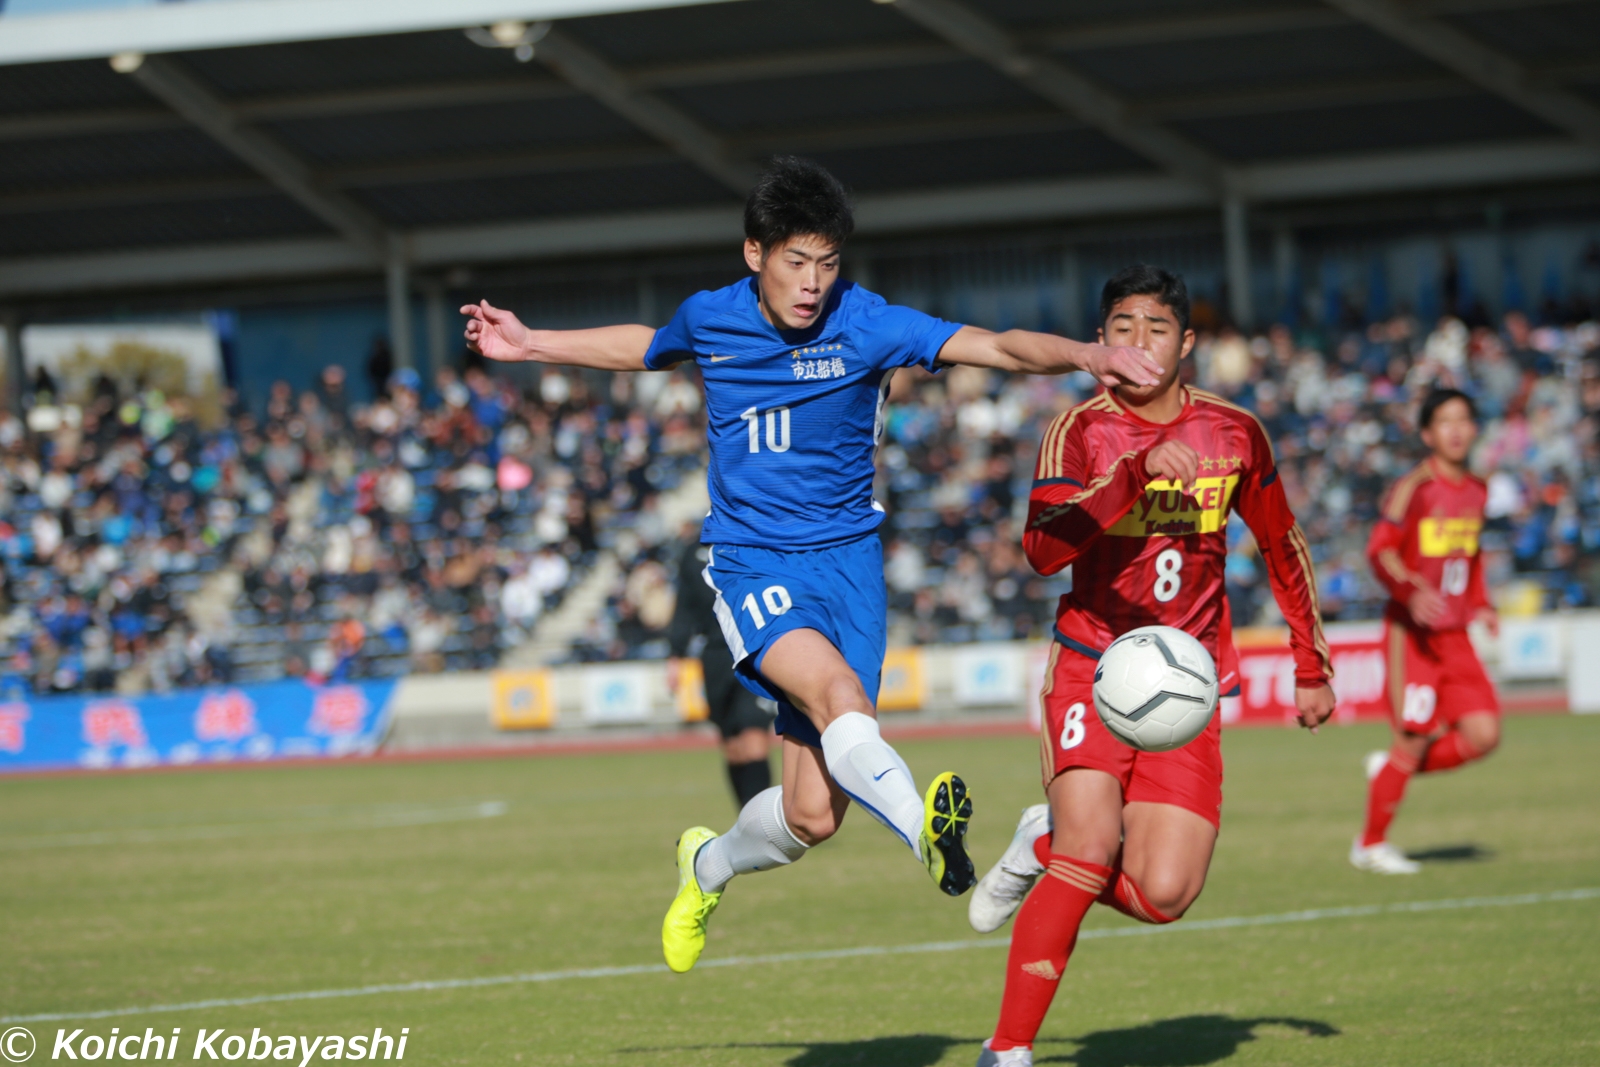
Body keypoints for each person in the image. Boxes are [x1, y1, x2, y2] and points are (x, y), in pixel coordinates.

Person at [462, 157, 1162, 977]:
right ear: (755, 252)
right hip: (753, 558)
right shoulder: (711, 318)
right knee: (841, 699)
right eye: (797, 261)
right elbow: (645, 347)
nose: (813, 283)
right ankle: (925, 836)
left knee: (811, 814)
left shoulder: (866, 323)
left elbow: (994, 344)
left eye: (828, 264)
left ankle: (706, 866)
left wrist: (1083, 352)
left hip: (849, 567)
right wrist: (531, 341)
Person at [965, 265, 1335, 1067]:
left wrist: (1311, 662)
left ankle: (1039, 846)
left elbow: (1282, 542)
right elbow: (1039, 551)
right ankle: (1008, 1050)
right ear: (1101, 340)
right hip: (1093, 666)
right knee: (1091, 846)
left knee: (1164, 894)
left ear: (1186, 342)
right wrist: (1130, 474)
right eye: (1122, 327)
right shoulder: (1079, 430)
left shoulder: (1235, 433)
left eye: (1157, 328)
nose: (1139, 343)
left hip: (1187, 685)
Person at [1352, 389, 1499, 875]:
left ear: (1475, 428)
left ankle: (1388, 772)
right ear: (1427, 434)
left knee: (1484, 734)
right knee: (1413, 738)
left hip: (1455, 634)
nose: (1456, 429)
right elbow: (1380, 549)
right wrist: (1412, 590)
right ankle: (1370, 845)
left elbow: (1470, 557)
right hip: (1411, 634)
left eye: (1464, 419)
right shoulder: (1414, 487)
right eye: (1445, 421)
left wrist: (1481, 603)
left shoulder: (1478, 489)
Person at [666, 524, 777, 809]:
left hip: (754, 650)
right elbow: (684, 607)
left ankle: (763, 826)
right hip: (715, 655)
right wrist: (675, 655)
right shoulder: (693, 552)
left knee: (754, 735)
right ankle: (747, 820)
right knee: (733, 746)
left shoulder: (757, 539)